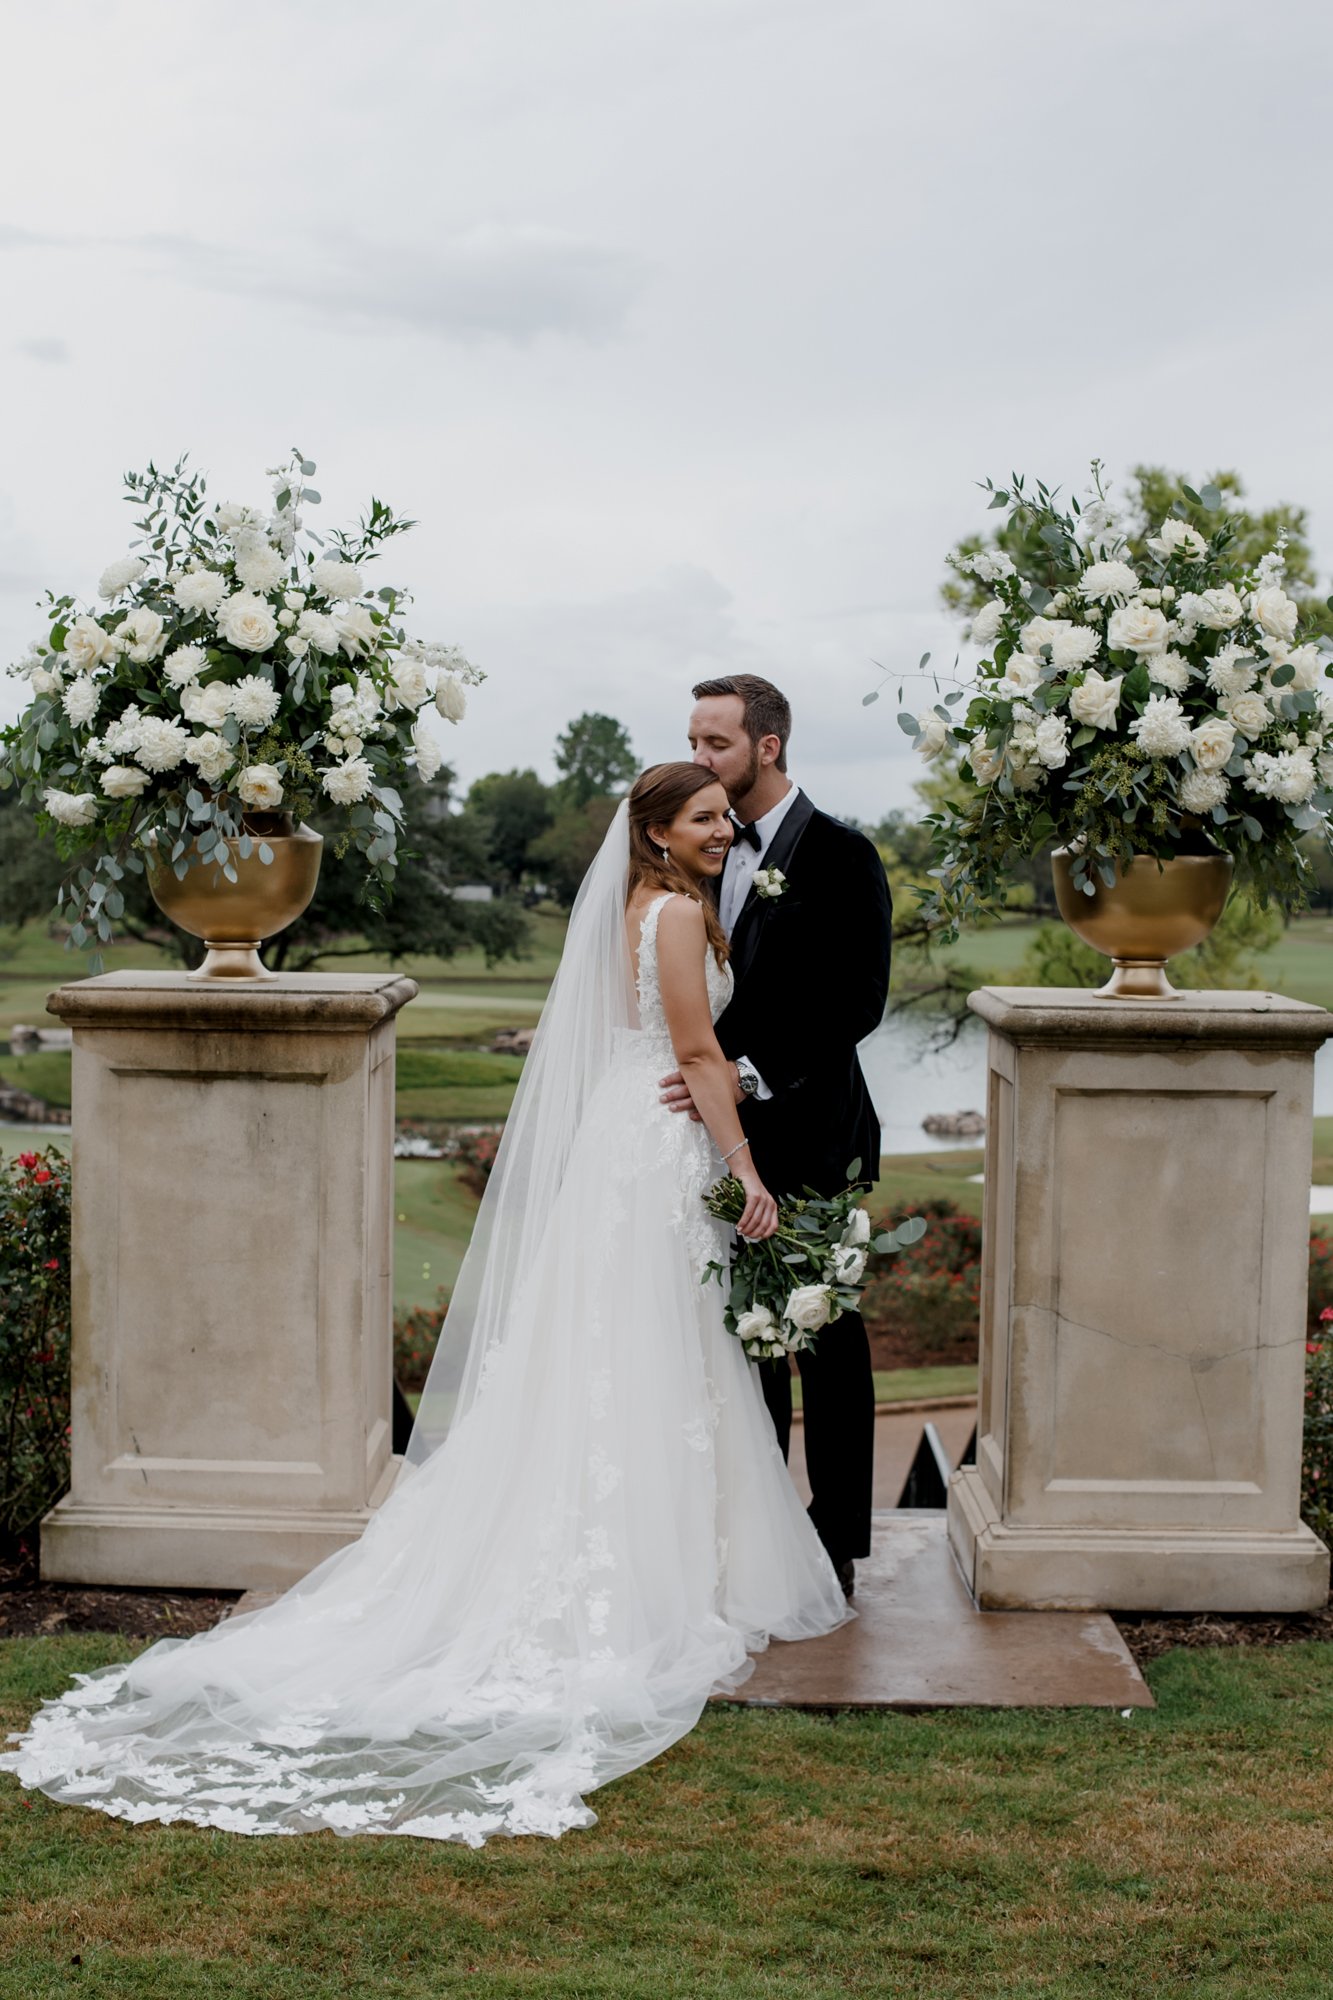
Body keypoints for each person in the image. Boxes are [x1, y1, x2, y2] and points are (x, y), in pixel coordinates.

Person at [0, 763, 849, 1844]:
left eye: (725, 816)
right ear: (653, 832)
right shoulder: (677, 913)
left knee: (622, 1352)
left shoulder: (637, 907)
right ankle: (655, 1574)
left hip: (622, 1144)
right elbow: (690, 1051)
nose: (723, 831)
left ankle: (670, 1553)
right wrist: (745, 1169)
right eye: (702, 819)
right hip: (658, 1146)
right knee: (646, 1353)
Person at [661, 676, 892, 1598]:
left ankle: (835, 1543)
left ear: (768, 746)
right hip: (709, 1143)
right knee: (742, 1339)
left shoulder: (840, 855)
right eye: (691, 740)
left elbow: (856, 1002)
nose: (698, 758)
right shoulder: (692, 853)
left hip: (808, 1128)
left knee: (824, 1338)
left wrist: (747, 1076)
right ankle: (758, 1542)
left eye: (714, 743)